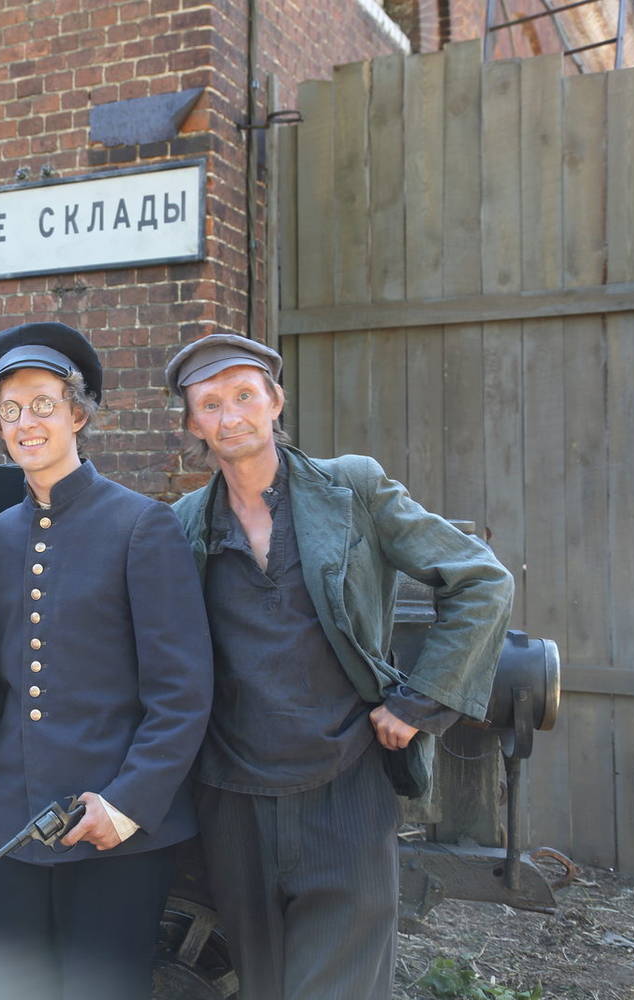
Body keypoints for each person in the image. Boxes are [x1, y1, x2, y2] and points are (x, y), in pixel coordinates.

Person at [167, 333, 515, 1000]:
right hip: (234, 798)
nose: (231, 416)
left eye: (244, 395)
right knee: (262, 986)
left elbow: (481, 580)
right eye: (210, 404)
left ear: (275, 401)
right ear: (192, 424)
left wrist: (418, 702)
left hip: (345, 788)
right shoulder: (183, 524)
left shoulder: (351, 487)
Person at [0, 322, 213, 1000]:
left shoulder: (141, 525)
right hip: (11, 826)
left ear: (77, 413)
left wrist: (127, 805)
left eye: (43, 403)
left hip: (114, 831)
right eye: (10, 410)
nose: (25, 422)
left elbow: (181, 693)